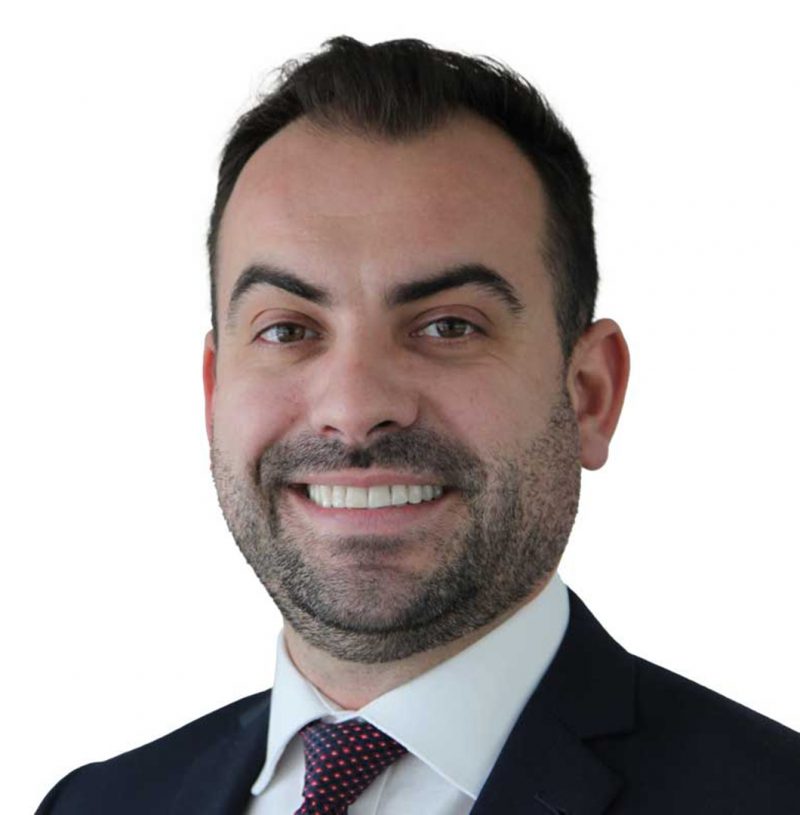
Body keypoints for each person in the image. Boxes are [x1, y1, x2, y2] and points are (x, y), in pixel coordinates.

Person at [37, 35, 800, 814]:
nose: (354, 406)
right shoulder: (96, 803)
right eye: (287, 329)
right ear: (213, 393)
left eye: (448, 326)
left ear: (589, 395)